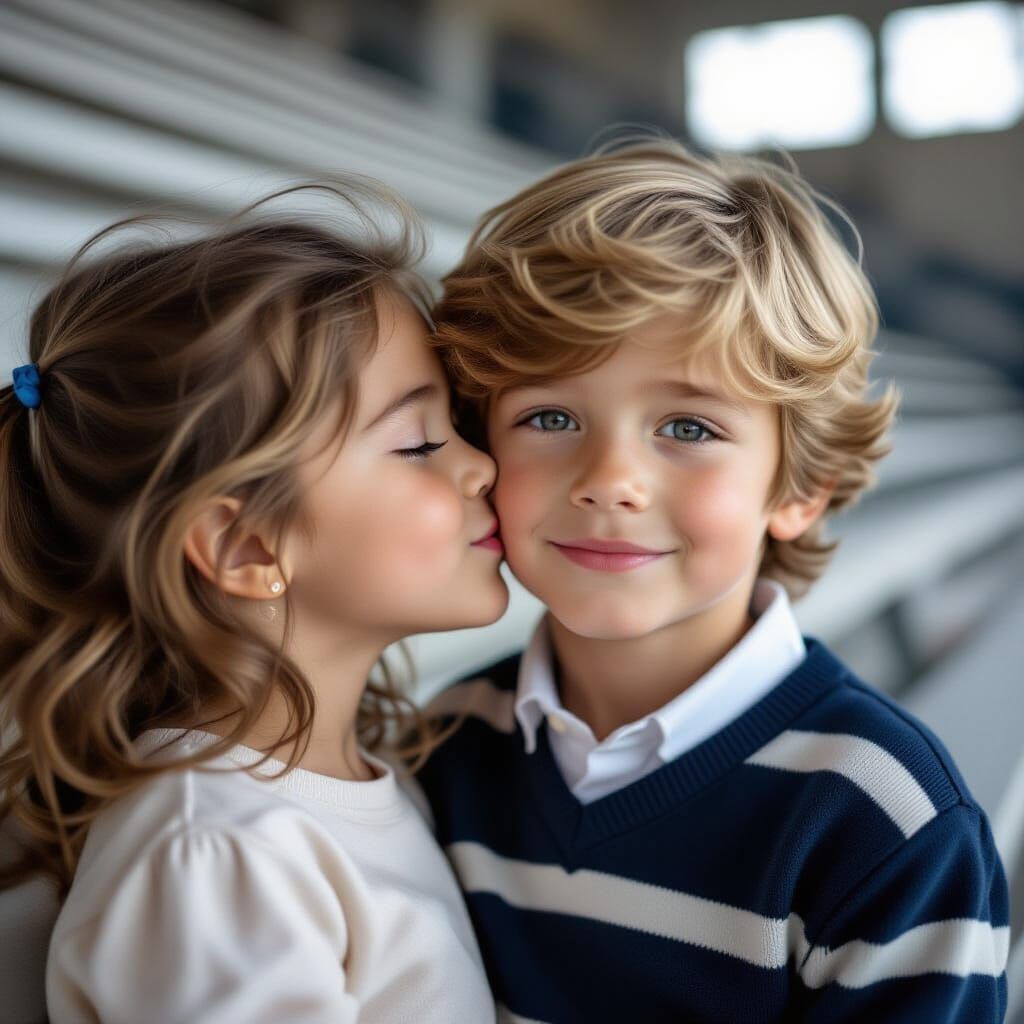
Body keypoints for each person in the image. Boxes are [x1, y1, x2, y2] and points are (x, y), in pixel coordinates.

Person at [417, 140, 1010, 1022]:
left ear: (800, 488)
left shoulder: (886, 816)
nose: (610, 477)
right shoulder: (445, 745)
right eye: (550, 416)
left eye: (688, 428)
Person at [0, 184, 508, 1023]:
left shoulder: (350, 787)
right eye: (420, 442)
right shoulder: (212, 850)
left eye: (457, 422)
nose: (481, 464)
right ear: (247, 548)